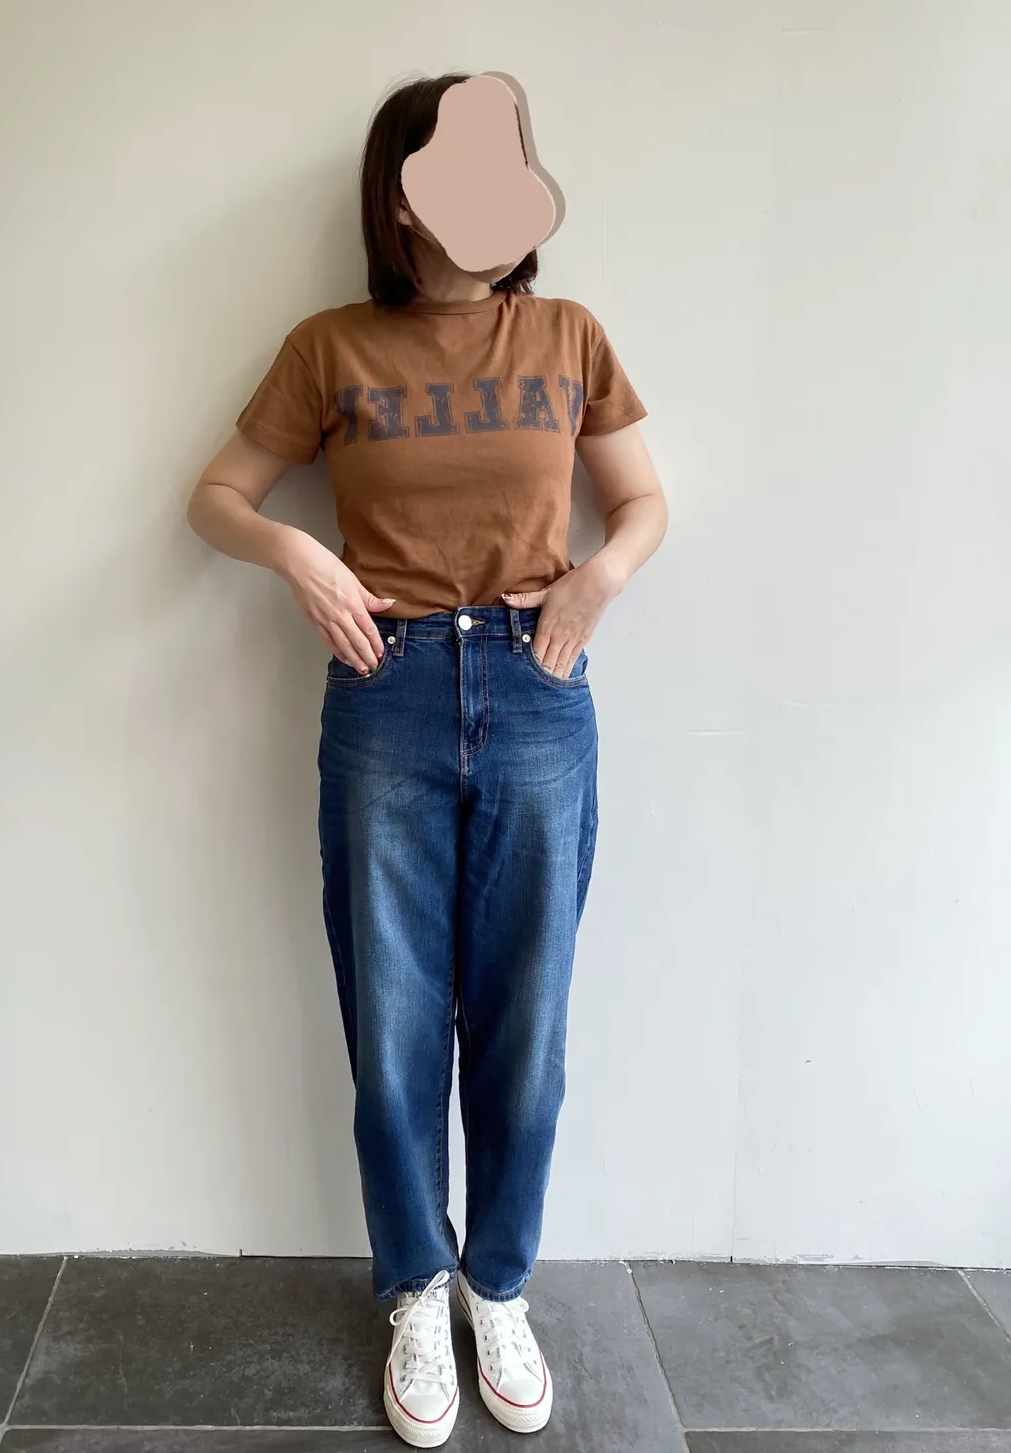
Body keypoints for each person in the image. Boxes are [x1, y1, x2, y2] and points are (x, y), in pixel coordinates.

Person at [187, 72, 668, 1447]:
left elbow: (641, 501)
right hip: (384, 688)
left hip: (537, 685)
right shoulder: (329, 348)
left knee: (526, 1022)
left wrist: (595, 583)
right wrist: (297, 554)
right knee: (395, 1019)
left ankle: (497, 1285)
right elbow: (216, 496)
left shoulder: (568, 335)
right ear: (399, 204)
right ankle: (415, 1285)